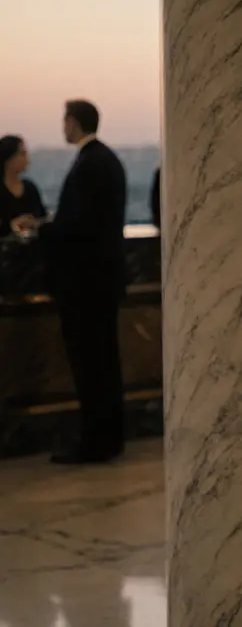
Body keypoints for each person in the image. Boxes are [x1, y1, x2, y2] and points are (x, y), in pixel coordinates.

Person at [18, 100, 129, 464]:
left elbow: (78, 226)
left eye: (64, 120)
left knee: (90, 364)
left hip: (86, 285)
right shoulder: (106, 160)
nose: (62, 127)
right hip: (103, 282)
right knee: (105, 362)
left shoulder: (89, 164)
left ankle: (95, 441)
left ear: (75, 122)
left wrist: (41, 229)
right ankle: (110, 437)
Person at [1, 135, 47, 237]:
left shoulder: (30, 188)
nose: (27, 159)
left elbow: (43, 218)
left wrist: (34, 223)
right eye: (22, 154)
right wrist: (12, 226)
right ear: (8, 159)